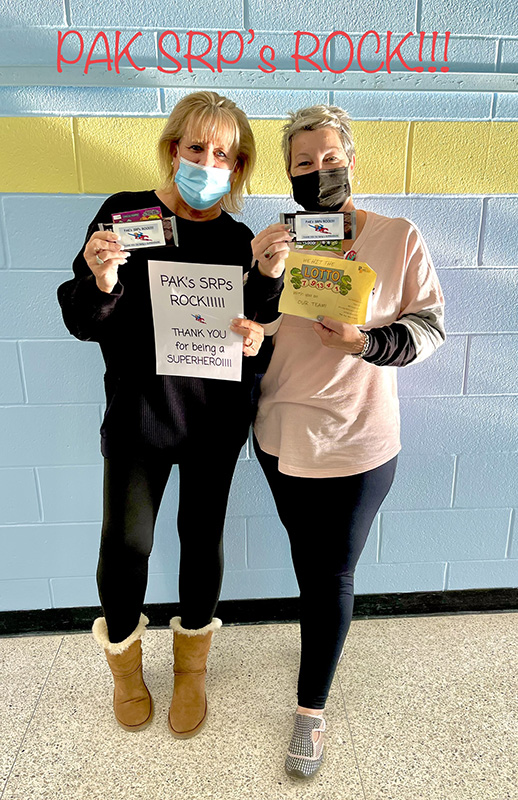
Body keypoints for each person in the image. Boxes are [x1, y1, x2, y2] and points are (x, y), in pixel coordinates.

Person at [57, 91, 284, 738]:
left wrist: (254, 332)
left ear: (237, 168)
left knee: (201, 544)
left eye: (225, 154)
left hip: (213, 422)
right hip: (138, 418)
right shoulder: (124, 218)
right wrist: (101, 281)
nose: (208, 162)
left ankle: (191, 672)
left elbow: (258, 329)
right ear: (172, 148)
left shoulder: (239, 239)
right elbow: (82, 320)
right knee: (125, 548)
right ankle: (125, 670)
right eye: (197, 148)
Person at [252, 105, 445, 779]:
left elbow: (430, 328)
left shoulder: (396, 236)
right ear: (289, 173)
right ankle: (318, 634)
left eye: (331, 159)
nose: (319, 172)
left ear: (351, 160)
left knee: (333, 572)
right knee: (310, 561)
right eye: (304, 164)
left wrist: (367, 342)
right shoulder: (273, 239)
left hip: (361, 440)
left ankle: (311, 712)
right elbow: (254, 331)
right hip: (278, 434)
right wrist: (265, 278)